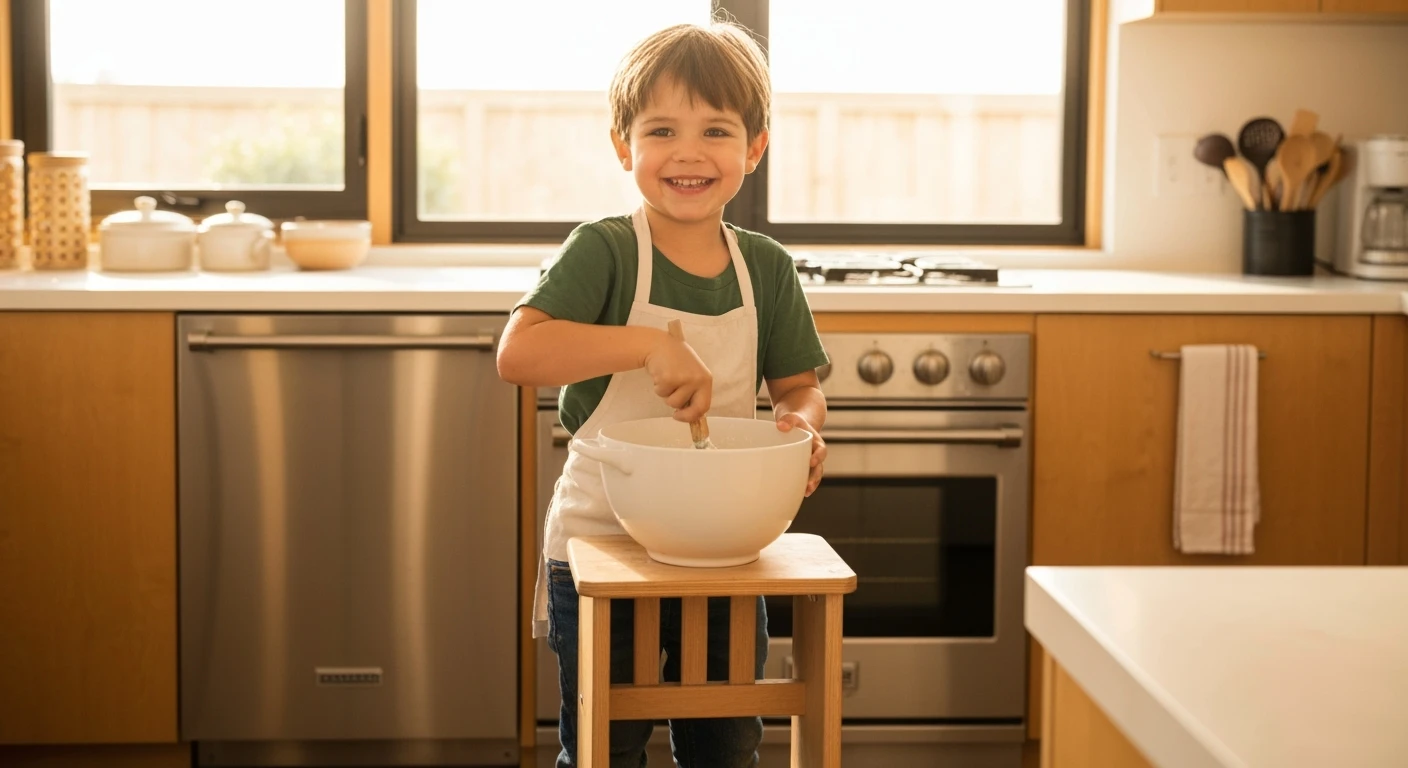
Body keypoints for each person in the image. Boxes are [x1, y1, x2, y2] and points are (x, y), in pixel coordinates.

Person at [496, 18, 829, 768]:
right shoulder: (605, 250)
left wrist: (801, 427)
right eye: (661, 130)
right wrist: (649, 345)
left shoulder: (766, 269)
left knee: (725, 743)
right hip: (603, 544)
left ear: (754, 148)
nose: (688, 152)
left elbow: (801, 387)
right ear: (624, 145)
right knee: (603, 748)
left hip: (726, 547)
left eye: (716, 130)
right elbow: (519, 354)